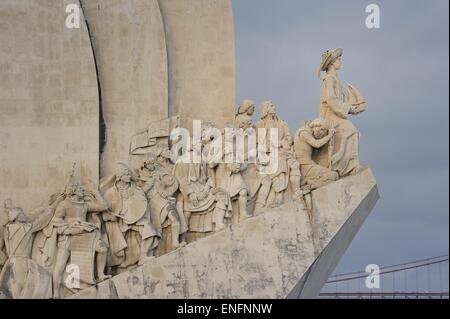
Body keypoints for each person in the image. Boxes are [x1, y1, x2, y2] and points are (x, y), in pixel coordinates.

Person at [51, 183, 110, 298]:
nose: (83, 191)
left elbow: (104, 206)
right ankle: (56, 293)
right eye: (80, 189)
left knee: (102, 248)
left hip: (84, 236)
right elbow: (56, 220)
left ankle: (101, 274)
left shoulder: (84, 205)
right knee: (60, 265)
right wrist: (69, 228)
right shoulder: (64, 205)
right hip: (69, 237)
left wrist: (96, 193)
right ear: (74, 191)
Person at [101, 163, 160, 273]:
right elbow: (104, 214)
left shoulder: (135, 188)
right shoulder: (110, 193)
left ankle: (143, 256)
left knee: (150, 229)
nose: (129, 177)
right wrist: (110, 217)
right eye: (126, 175)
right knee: (114, 242)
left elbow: (142, 201)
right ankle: (110, 267)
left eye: (129, 174)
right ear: (120, 177)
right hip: (119, 221)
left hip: (135, 219)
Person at [318, 48, 365, 176]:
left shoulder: (335, 79)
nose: (340, 61)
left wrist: (353, 108)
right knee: (351, 130)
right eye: (338, 59)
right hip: (330, 117)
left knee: (355, 133)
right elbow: (331, 99)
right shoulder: (329, 79)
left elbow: (341, 101)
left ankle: (350, 165)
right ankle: (343, 166)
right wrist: (347, 108)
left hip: (337, 115)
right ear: (332, 62)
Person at [294, 118, 339, 191]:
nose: (321, 135)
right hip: (305, 166)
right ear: (318, 127)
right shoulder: (304, 132)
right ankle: (309, 185)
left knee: (334, 176)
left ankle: (311, 184)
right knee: (332, 175)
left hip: (308, 164)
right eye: (321, 132)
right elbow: (316, 144)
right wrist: (329, 136)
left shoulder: (307, 133)